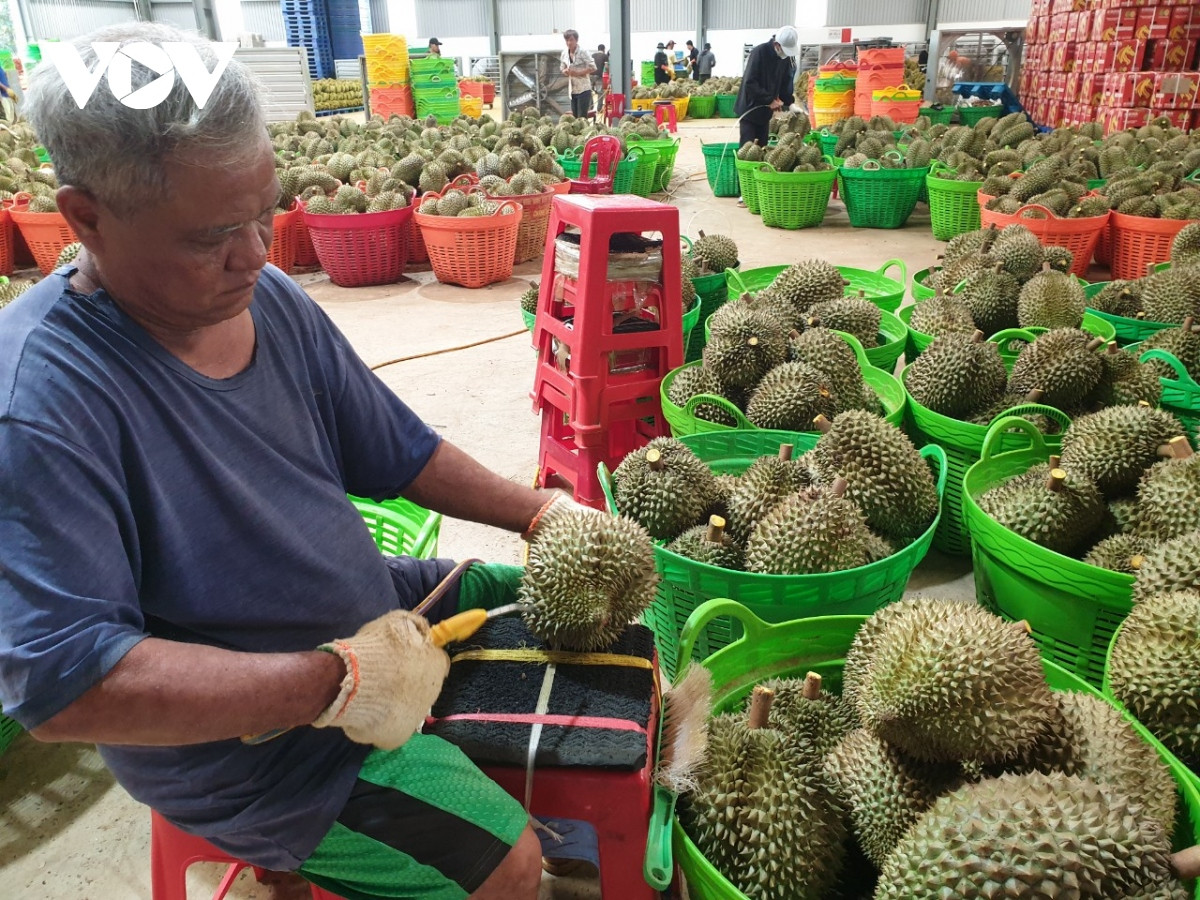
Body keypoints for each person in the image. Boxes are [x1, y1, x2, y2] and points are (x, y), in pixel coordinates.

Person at [0, 21, 603, 900]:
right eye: (211, 236)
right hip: (256, 754)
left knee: (533, 591)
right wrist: (333, 683)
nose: (257, 253)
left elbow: (397, 450)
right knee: (508, 870)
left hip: (368, 609)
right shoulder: (41, 404)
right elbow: (69, 688)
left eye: (263, 211)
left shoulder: (270, 298)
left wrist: (539, 512)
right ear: (86, 215)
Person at [735, 25, 799, 149]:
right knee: (747, 148)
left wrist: (790, 103)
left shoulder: (784, 58)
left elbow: (784, 84)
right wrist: (769, 100)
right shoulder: (759, 53)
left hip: (764, 114)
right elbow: (750, 82)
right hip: (750, 109)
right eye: (785, 50)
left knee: (763, 148)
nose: (786, 54)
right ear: (777, 44)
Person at [560, 29, 596, 119]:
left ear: (576, 40)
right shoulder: (564, 53)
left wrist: (577, 73)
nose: (569, 43)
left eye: (571, 40)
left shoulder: (583, 52)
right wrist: (565, 71)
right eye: (567, 40)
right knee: (575, 117)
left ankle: (584, 132)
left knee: (582, 118)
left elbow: (593, 67)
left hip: (583, 89)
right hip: (572, 90)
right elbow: (562, 68)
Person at [591, 43, 608, 108]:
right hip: (598, 75)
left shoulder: (593, 55)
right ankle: (599, 108)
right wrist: (609, 73)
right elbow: (606, 67)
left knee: (589, 91)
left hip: (590, 75)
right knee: (600, 92)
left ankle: (590, 107)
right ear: (604, 49)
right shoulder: (605, 56)